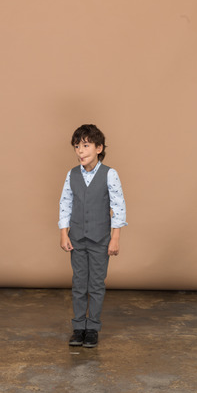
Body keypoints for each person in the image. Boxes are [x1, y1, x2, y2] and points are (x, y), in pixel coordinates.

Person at [58, 124, 127, 347]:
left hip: (100, 240)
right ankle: (78, 327)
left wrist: (115, 238)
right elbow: (65, 204)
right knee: (79, 284)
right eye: (77, 146)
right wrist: (64, 233)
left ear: (98, 148)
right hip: (77, 238)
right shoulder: (72, 175)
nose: (80, 151)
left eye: (86, 146)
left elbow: (118, 206)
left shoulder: (110, 174)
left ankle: (93, 327)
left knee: (96, 284)